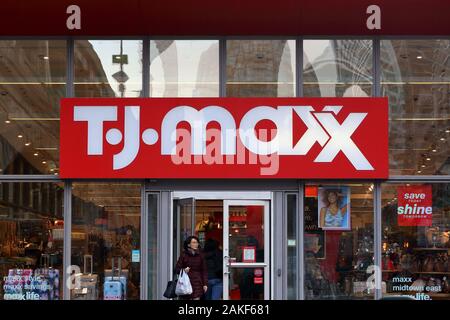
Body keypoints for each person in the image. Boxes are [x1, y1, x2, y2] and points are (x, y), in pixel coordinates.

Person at [175, 236, 208, 300]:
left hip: (197, 283)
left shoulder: (200, 255)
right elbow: (176, 269)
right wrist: (184, 270)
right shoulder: (184, 255)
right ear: (188, 244)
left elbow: (204, 271)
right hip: (186, 282)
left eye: (197, 243)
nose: (196, 244)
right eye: (194, 242)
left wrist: (205, 284)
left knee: (196, 298)